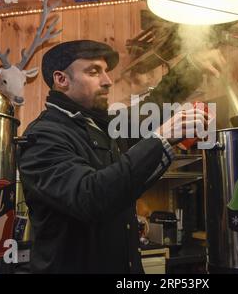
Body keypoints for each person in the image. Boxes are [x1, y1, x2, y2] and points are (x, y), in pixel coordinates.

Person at [18, 40, 225, 273]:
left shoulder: (102, 125)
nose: (107, 81)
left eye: (106, 71)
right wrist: (161, 138)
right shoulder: (43, 136)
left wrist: (192, 68)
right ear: (61, 79)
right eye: (94, 71)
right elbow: (90, 197)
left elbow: (152, 106)